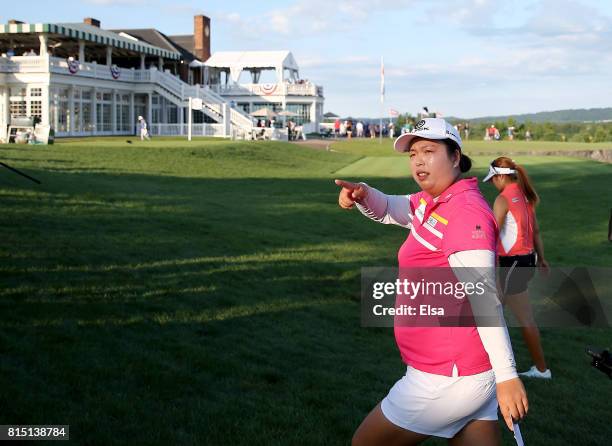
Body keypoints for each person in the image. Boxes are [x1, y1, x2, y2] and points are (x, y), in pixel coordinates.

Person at [336, 118, 527, 445]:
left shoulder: (464, 211)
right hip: (462, 371)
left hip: (447, 375)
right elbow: (390, 208)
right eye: (412, 154)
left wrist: (508, 376)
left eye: (428, 150)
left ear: (455, 157)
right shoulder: (433, 202)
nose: (418, 160)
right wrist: (363, 196)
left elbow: (484, 298)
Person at [483, 157, 551, 379]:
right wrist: (542, 258)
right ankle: (486, 364)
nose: (492, 183)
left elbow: (492, 235)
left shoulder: (503, 199)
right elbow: (537, 232)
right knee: (490, 311)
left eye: (493, 179)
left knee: (520, 318)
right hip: (525, 261)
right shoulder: (525, 196)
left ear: (501, 176)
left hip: (511, 265)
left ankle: (542, 370)